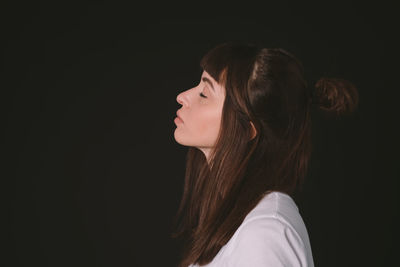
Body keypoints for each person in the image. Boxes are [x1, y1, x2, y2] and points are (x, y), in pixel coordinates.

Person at [171, 42, 358, 267]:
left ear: (247, 129)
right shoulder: (238, 222)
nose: (182, 97)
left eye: (204, 93)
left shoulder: (266, 234)